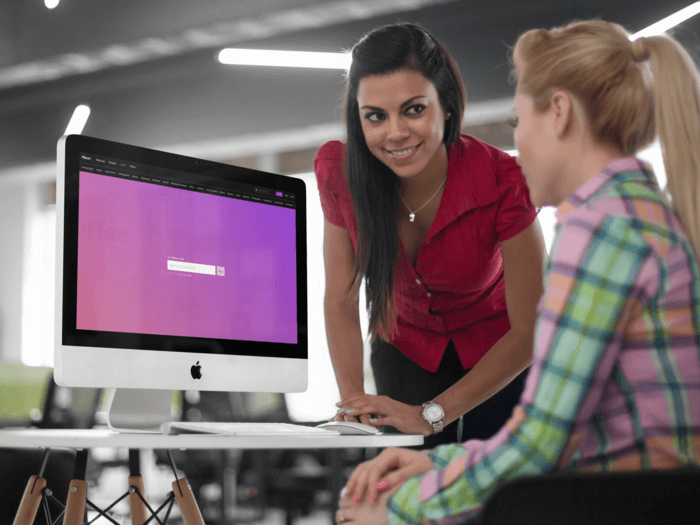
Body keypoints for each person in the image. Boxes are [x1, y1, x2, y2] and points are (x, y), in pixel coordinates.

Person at [333, 19, 700, 524]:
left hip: (628, 503)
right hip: (634, 493)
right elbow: (570, 437)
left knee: (365, 510)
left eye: (516, 121)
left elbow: (540, 445)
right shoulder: (637, 216)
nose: (518, 144)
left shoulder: (602, 232)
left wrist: (397, 507)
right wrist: (436, 461)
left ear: (559, 114)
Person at [314, 23, 546, 449]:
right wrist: (353, 407)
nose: (396, 133)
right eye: (375, 117)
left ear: (447, 106)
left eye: (414, 109)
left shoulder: (503, 179)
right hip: (404, 352)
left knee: (497, 498)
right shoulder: (341, 175)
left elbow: (531, 325)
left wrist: (431, 415)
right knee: (404, 499)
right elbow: (341, 300)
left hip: (501, 361)